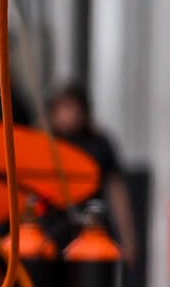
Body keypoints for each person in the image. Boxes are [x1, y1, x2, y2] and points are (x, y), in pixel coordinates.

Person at [46, 83, 137, 258]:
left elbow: (117, 192)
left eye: (71, 107)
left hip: (93, 230)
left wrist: (128, 238)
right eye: (61, 108)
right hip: (53, 230)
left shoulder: (99, 144)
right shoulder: (46, 144)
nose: (67, 115)